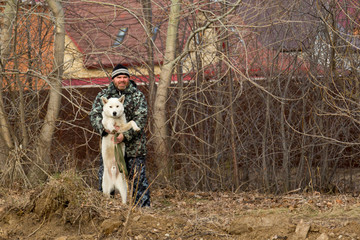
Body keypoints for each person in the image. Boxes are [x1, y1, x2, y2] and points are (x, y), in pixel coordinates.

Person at [89, 64, 150, 207]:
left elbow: (141, 119)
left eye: (124, 77)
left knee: (138, 181)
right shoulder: (103, 96)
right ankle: (105, 209)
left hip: (134, 148)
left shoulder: (137, 95)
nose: (122, 80)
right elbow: (94, 116)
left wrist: (125, 135)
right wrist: (104, 130)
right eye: (118, 77)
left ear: (128, 79)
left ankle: (142, 211)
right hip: (110, 147)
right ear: (113, 79)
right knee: (105, 178)